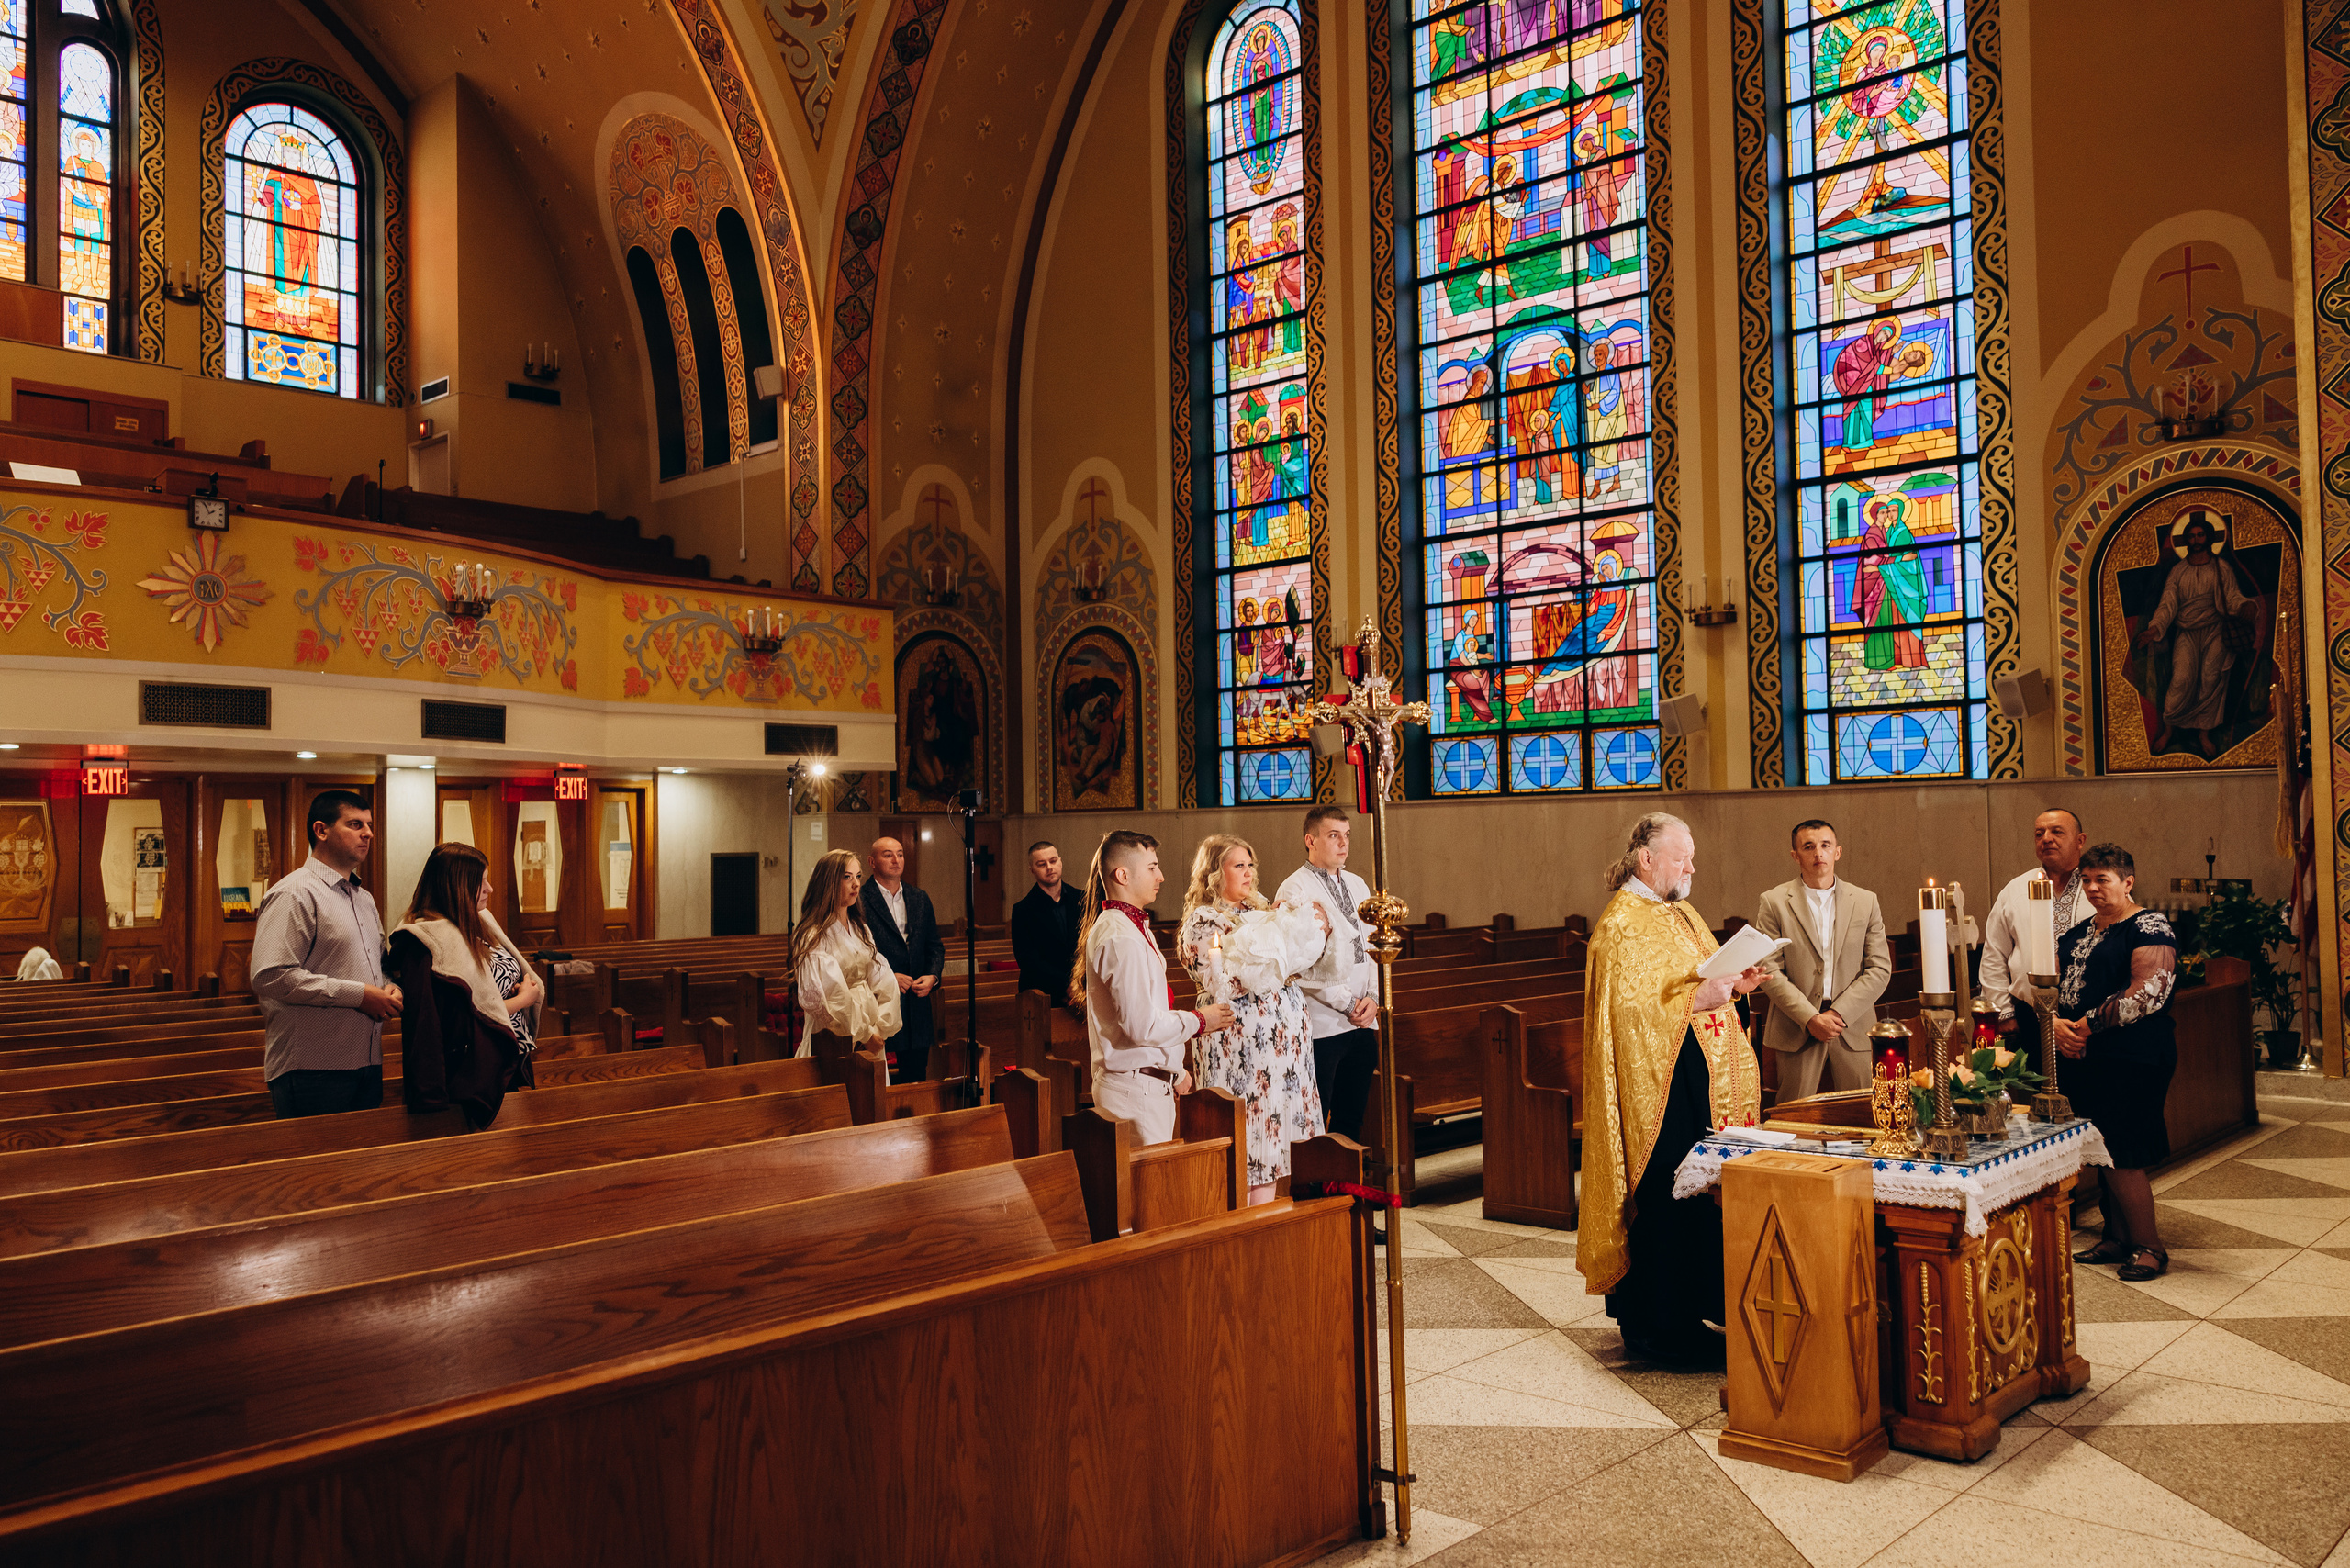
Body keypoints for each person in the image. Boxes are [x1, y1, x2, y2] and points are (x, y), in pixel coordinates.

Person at [1577, 812, 1766, 1368]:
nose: (1690, 866)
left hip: (1692, 1077)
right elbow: (1628, 1015)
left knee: (1698, 1192)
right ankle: (1657, 1328)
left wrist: (1735, 988)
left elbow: (1700, 980)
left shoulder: (1679, 911)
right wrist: (1696, 1001)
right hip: (1650, 1091)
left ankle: (1690, 1313)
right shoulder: (1620, 925)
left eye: (1691, 855)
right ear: (1646, 860)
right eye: (1681, 856)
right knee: (1664, 1190)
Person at [1177, 834, 1329, 1205]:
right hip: (1241, 1042)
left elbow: (1291, 960)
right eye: (1238, 865)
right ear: (1215, 873)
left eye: (1250, 865)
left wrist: (1313, 930)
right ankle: (1246, 1220)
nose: (1248, 873)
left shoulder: (1262, 907)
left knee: (1277, 1138)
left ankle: (1269, 1219)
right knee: (1251, 1137)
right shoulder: (1204, 921)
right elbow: (1225, 980)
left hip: (1284, 1043)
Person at [2053, 844, 2177, 1282]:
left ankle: (2150, 1246)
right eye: (2085, 880)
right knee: (2099, 1148)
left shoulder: (2148, 926)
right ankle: (2117, 1235)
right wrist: (2060, 1028)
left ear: (2127, 881)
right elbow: (2057, 988)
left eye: (2101, 880)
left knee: (2124, 1149)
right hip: (2085, 1054)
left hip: (2135, 1054)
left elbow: (2150, 991)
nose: (2091, 888)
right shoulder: (2080, 931)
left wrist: (2083, 1026)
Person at [1071, 831, 1234, 1147]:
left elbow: (1151, 1010)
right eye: (1152, 867)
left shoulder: (1132, 926)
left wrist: (1174, 1070)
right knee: (1146, 1192)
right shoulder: (1119, 936)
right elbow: (1140, 1025)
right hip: (1134, 1091)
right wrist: (1200, 1021)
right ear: (1123, 875)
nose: (1161, 875)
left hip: (1145, 1085)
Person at [251, 790, 401, 1118]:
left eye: (370, 825)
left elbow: (379, 967)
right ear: (321, 830)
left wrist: (391, 988)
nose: (368, 833)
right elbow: (271, 976)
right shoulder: (295, 893)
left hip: (367, 1060)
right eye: (355, 824)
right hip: (312, 1067)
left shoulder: (364, 899)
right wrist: (360, 996)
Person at [387, 843, 536, 1130]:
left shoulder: (477, 923)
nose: (489, 889)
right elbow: (434, 1023)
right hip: (467, 1075)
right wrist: (522, 1000)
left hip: (506, 1060)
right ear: (455, 886)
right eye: (480, 882)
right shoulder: (424, 942)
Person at [1751, 819, 1893, 1100]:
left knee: (1861, 1114)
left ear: (1837, 852)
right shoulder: (1774, 901)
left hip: (1851, 1024)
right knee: (1794, 1116)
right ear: (1795, 855)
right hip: (1797, 1026)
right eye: (1809, 846)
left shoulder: (1865, 901)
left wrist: (1838, 1014)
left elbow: (1879, 967)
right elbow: (1768, 968)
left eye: (1825, 845)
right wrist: (1810, 1017)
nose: (1819, 853)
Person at [1277, 805, 1380, 1143]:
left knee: (1352, 1116)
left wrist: (1374, 998)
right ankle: (1317, 1189)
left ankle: (1344, 1187)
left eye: (1347, 836)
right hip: (1322, 1024)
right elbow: (1303, 965)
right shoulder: (1294, 889)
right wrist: (1348, 1003)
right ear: (1311, 840)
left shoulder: (1358, 883)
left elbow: (1373, 945)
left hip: (1364, 1019)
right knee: (1317, 1116)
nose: (1343, 844)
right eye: (1333, 836)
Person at [1979, 808, 2096, 1067]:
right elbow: (1994, 955)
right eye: (2039, 833)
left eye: (2057, 832)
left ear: (2080, 841)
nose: (2046, 838)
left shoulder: (2100, 887)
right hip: (2029, 1016)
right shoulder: (2016, 889)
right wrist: (2006, 1013)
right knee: (2037, 1098)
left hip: (2089, 1020)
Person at [2136, 510, 2257, 756]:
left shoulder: (2220, 567)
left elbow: (2232, 596)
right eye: (2191, 536)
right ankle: (2169, 731)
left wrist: (2245, 606)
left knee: (2211, 679)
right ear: (2186, 541)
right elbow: (2167, 603)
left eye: (2200, 535)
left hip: (2215, 631)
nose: (2196, 540)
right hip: (2187, 633)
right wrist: (2154, 628)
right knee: (2180, 680)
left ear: (2209, 537)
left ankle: (2204, 735)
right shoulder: (2179, 572)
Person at [792, 849, 902, 1057]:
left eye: (858, 876)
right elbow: (828, 996)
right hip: (834, 1037)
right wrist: (864, 1034)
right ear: (829, 882)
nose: (856, 884)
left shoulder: (861, 930)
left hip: (871, 1036)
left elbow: (885, 981)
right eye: (847, 877)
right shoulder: (813, 935)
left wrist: (880, 1029)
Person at [859, 835, 945, 1081]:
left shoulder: (920, 898)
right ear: (872, 862)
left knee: (916, 1077)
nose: (896, 860)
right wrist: (886, 978)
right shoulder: (860, 901)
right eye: (888, 855)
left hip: (917, 1004)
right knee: (878, 1080)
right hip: (879, 1004)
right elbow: (858, 954)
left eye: (900, 854)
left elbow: (935, 946)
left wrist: (933, 976)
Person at [1011, 840, 1085, 1007]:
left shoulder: (1083, 900)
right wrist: (1067, 985)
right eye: (1041, 864)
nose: (1049, 867)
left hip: (1083, 992)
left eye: (1053, 861)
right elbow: (1028, 960)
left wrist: (1082, 985)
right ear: (1032, 870)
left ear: (1060, 862)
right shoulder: (1022, 910)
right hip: (1043, 996)